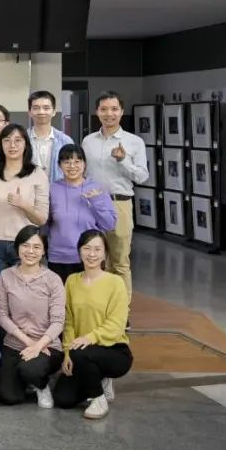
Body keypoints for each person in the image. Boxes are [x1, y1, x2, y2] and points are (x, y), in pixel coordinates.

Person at [53, 230, 132, 419]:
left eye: (97, 249)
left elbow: (117, 325)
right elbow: (69, 321)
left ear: (105, 254)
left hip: (113, 350)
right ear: (79, 251)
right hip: (80, 351)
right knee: (63, 399)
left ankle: (98, 399)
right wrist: (66, 353)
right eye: (87, 248)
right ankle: (98, 378)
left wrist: (89, 338)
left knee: (81, 353)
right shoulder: (72, 281)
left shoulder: (115, 282)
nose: (92, 254)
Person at [82, 91, 149, 301]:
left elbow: (142, 176)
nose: (109, 114)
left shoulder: (134, 142)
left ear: (121, 112)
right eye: (104, 109)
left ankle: (121, 310)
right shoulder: (88, 141)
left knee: (119, 262)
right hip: (91, 205)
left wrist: (123, 160)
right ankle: (96, 305)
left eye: (114, 109)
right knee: (92, 259)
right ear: (97, 112)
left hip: (119, 204)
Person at [0, 226, 65, 408]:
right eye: (25, 246)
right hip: (15, 344)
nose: (30, 251)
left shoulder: (53, 279)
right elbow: (1, 315)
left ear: (43, 251)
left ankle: (41, 385)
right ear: (17, 248)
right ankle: (26, 379)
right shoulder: (5, 276)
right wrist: (28, 343)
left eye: (36, 247)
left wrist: (38, 346)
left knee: (30, 369)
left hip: (47, 346)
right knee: (7, 396)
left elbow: (58, 322)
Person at [0, 124, 50, 291]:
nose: (12, 145)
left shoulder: (38, 174)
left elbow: (41, 219)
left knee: (24, 294)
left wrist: (24, 205)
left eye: (18, 140)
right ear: (0, 144)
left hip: (26, 244)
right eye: (7, 140)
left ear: (26, 144)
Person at [49, 145, 117, 282]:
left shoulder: (97, 188)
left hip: (90, 257)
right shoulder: (52, 189)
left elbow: (110, 225)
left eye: (77, 161)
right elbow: (45, 222)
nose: (72, 166)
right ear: (59, 165)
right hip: (59, 257)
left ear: (84, 164)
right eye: (66, 162)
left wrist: (96, 202)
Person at [28, 90, 74, 184]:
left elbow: (72, 169)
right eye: (36, 108)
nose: (41, 112)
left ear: (54, 112)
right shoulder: (22, 139)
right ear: (30, 112)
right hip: (29, 191)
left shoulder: (65, 141)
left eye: (46, 108)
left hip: (59, 190)